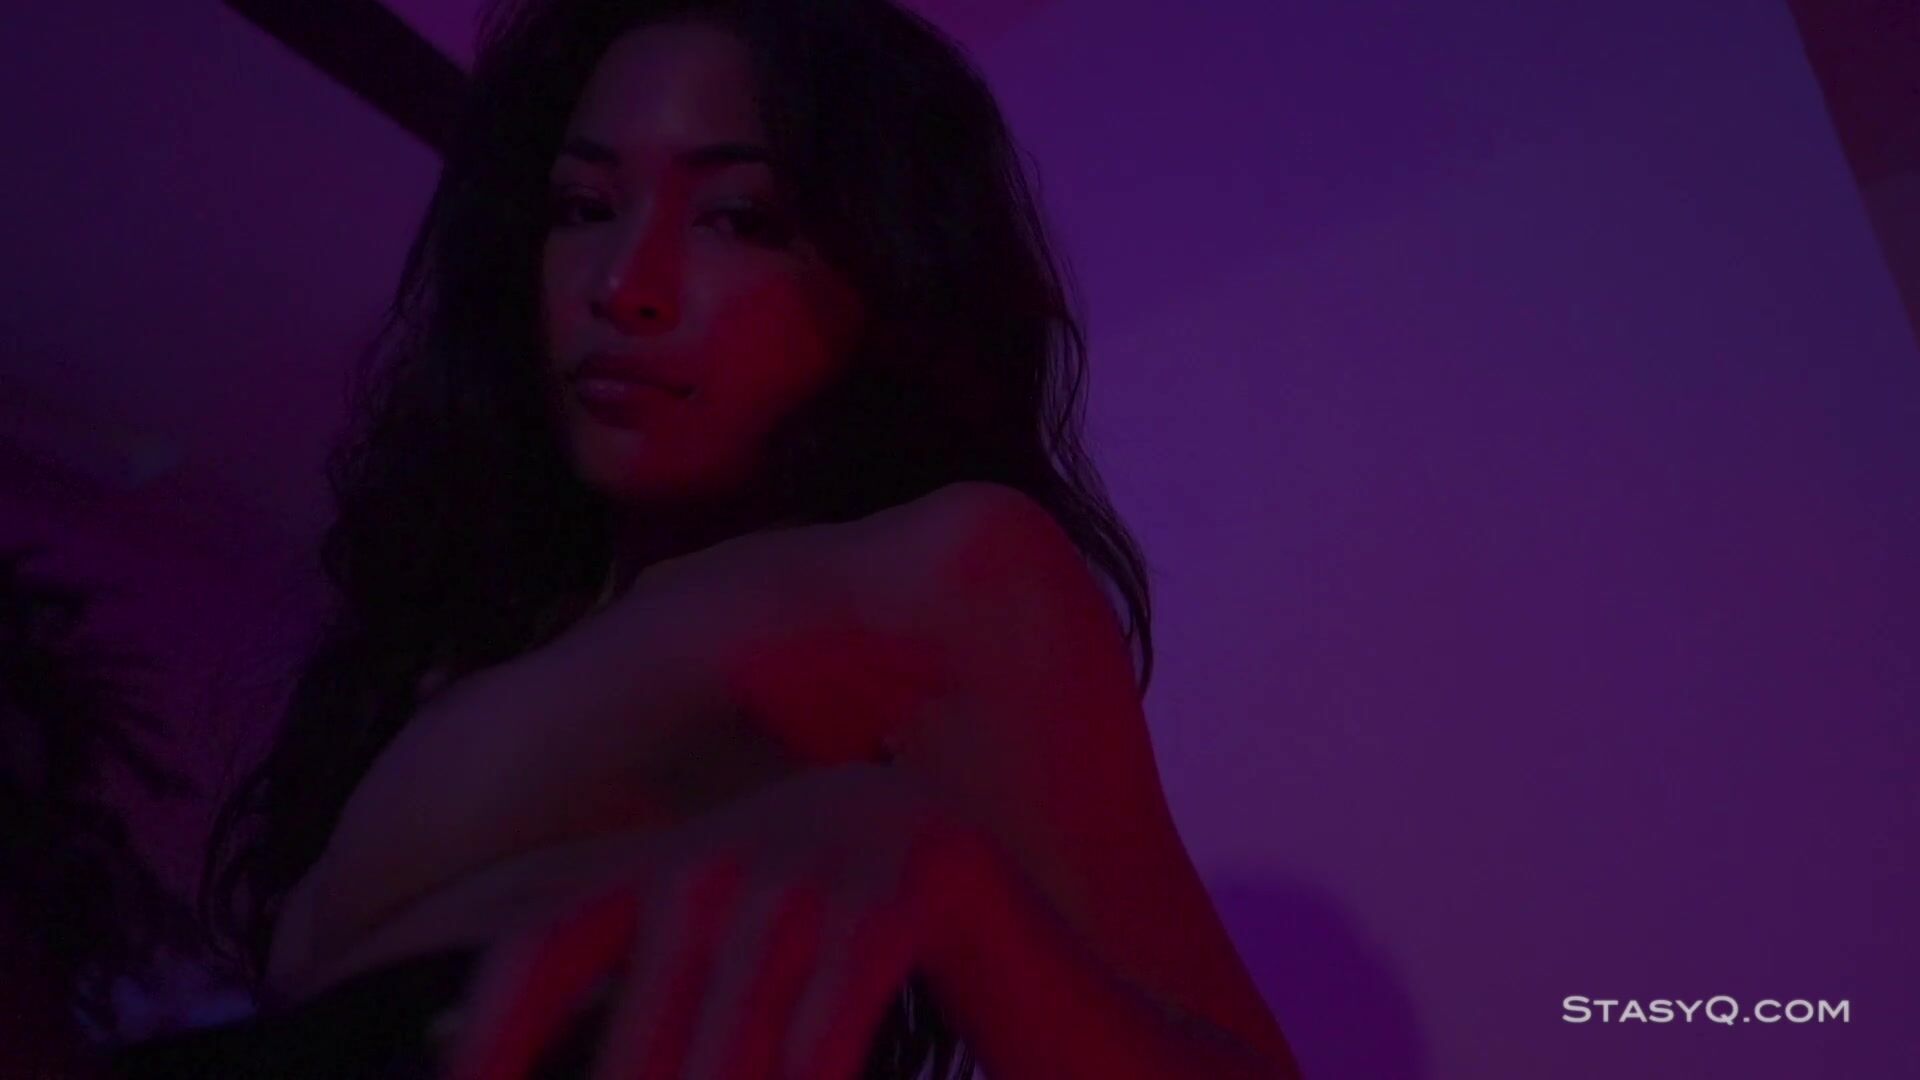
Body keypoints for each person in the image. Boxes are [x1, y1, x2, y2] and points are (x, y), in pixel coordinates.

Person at [192, 1, 1302, 1076]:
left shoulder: (936, 569)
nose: (624, 285)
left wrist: (940, 870)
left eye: (738, 218)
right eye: (583, 206)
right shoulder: (467, 627)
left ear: (887, 274)